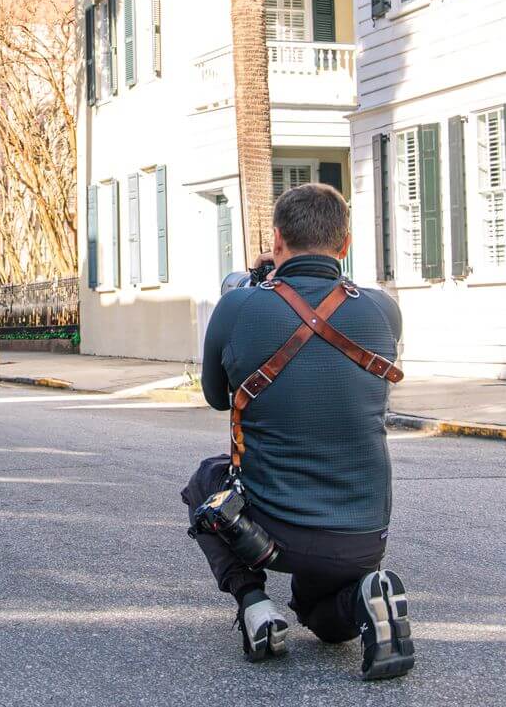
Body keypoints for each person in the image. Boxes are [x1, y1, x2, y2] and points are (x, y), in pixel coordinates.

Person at [183, 183, 414, 681]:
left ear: (278, 239)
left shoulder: (237, 308)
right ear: (345, 246)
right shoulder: (384, 308)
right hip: (361, 536)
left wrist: (255, 291)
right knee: (327, 621)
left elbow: (218, 397)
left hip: (271, 536)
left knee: (206, 481)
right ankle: (366, 594)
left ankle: (254, 604)